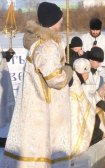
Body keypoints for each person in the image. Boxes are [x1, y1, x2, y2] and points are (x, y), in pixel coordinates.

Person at [1, 2, 73, 167]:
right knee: (42, 149)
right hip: (45, 107)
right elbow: (56, 79)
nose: (62, 22)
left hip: (38, 104)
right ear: (52, 21)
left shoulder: (41, 42)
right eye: (59, 19)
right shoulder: (47, 46)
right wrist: (68, 71)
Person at [70, 58, 97, 154]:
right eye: (87, 73)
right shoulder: (74, 84)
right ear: (82, 72)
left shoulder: (76, 81)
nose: (88, 76)